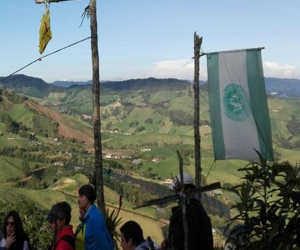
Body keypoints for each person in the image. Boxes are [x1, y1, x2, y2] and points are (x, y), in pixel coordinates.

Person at [161, 173, 214, 250]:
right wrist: (168, 241)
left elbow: (186, 239)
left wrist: (170, 243)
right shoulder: (191, 207)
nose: (176, 193)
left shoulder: (192, 210)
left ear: (187, 190)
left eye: (177, 190)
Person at [77, 184, 113, 250]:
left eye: (81, 196)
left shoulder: (93, 218)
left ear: (88, 198)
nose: (78, 199)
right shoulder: (93, 214)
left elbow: (105, 246)